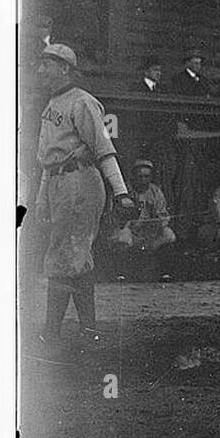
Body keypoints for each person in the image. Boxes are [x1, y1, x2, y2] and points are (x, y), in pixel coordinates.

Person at [33, 43, 134, 353]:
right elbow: (47, 161)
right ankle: (72, 330)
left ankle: (72, 331)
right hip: (57, 183)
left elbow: (104, 151)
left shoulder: (84, 102)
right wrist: (41, 199)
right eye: (41, 64)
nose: (41, 70)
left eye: (47, 64)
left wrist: (122, 193)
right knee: (63, 254)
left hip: (80, 182)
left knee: (72, 254)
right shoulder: (51, 104)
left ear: (65, 68)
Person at [110, 157, 176, 271]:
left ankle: (165, 272)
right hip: (131, 231)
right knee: (123, 237)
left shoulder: (155, 191)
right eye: (139, 177)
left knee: (169, 235)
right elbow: (117, 218)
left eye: (146, 177)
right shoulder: (124, 190)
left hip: (150, 233)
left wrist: (157, 222)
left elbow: (163, 215)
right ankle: (121, 273)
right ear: (134, 177)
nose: (143, 180)